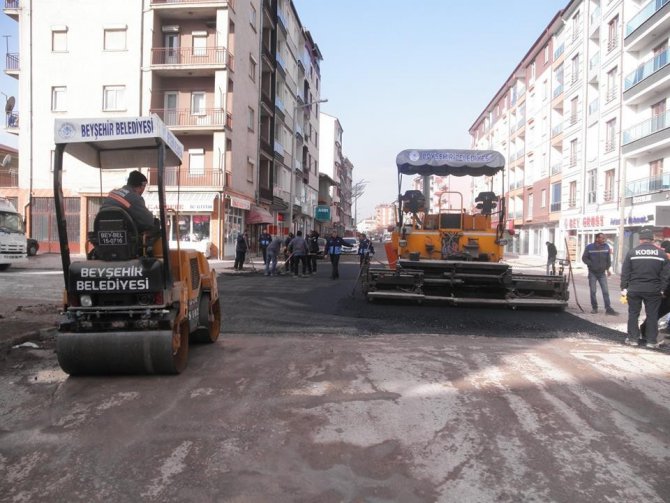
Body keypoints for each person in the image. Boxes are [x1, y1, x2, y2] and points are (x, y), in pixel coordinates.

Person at [621, 229, 670, 348]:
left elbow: (626, 272)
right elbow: (665, 275)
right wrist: (662, 289)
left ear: (640, 239)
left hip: (634, 289)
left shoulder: (632, 253)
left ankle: (633, 339)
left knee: (633, 314)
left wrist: (624, 288)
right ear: (652, 240)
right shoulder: (661, 254)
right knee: (652, 315)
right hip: (653, 290)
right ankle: (651, 341)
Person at [640, 240, 670, 338]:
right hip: (662, 293)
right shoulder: (661, 262)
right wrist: (662, 290)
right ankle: (644, 329)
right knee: (656, 313)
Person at [582, 232, 617, 315]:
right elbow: (584, 258)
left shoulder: (606, 247)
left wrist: (608, 269)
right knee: (593, 291)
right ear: (597, 239)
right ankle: (594, 308)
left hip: (602, 273)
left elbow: (608, 259)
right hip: (592, 273)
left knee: (605, 291)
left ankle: (608, 308)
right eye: (602, 238)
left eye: (604, 238)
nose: (604, 239)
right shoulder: (589, 247)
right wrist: (590, 264)